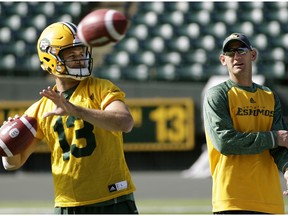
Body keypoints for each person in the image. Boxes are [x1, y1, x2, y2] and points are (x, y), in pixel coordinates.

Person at [1, 21, 138, 214]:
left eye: (82, 53)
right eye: (72, 55)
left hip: (114, 199)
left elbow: (125, 122)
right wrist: (7, 144)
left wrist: (78, 110)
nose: (80, 59)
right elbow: (14, 163)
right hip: (68, 205)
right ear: (51, 59)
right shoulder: (40, 109)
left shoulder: (100, 87)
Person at [203, 32, 288, 214]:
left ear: (253, 55)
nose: (236, 57)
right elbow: (225, 142)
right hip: (232, 200)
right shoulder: (217, 95)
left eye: (241, 50)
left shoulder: (269, 96)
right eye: (230, 53)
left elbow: (281, 146)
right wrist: (273, 138)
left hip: (271, 201)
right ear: (222, 60)